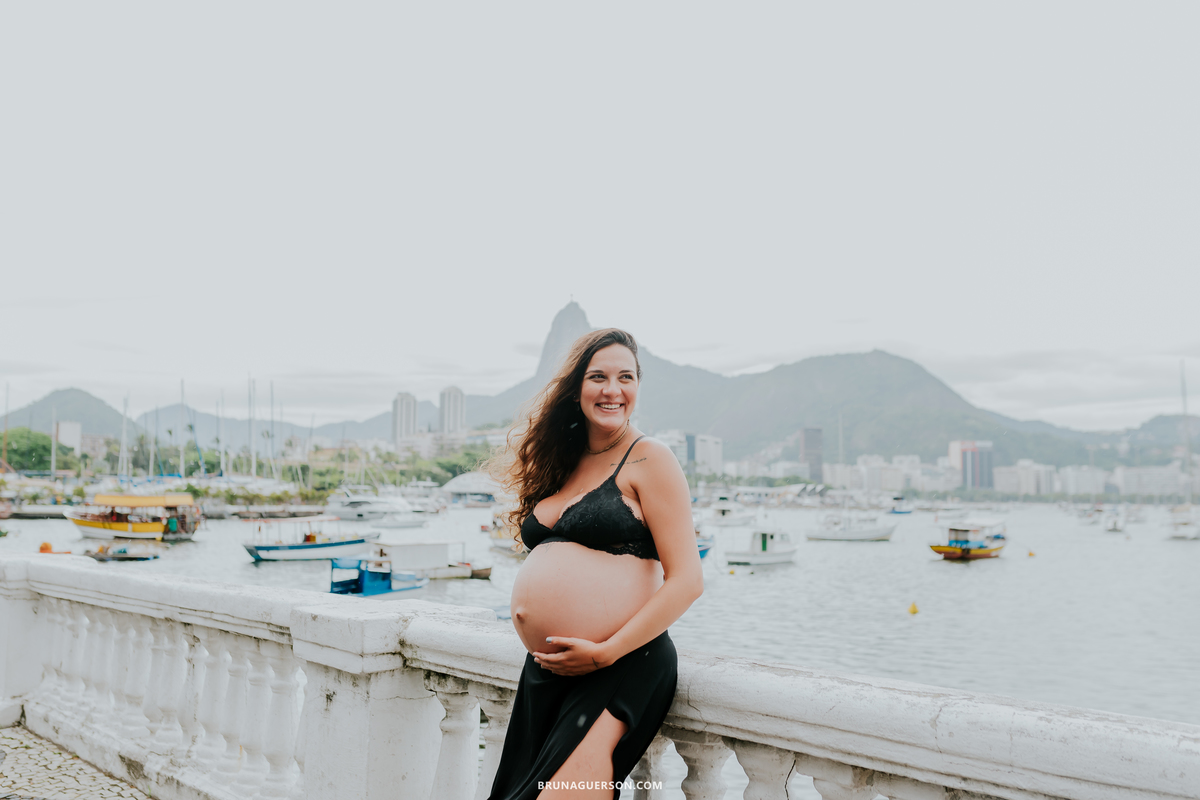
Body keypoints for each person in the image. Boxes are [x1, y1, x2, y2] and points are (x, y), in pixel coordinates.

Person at [485, 328, 704, 800]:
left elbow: (687, 580)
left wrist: (607, 652)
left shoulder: (650, 457)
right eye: (598, 376)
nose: (612, 389)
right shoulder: (562, 461)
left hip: (623, 663)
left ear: (638, 386)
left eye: (625, 377)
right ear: (576, 387)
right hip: (547, 671)